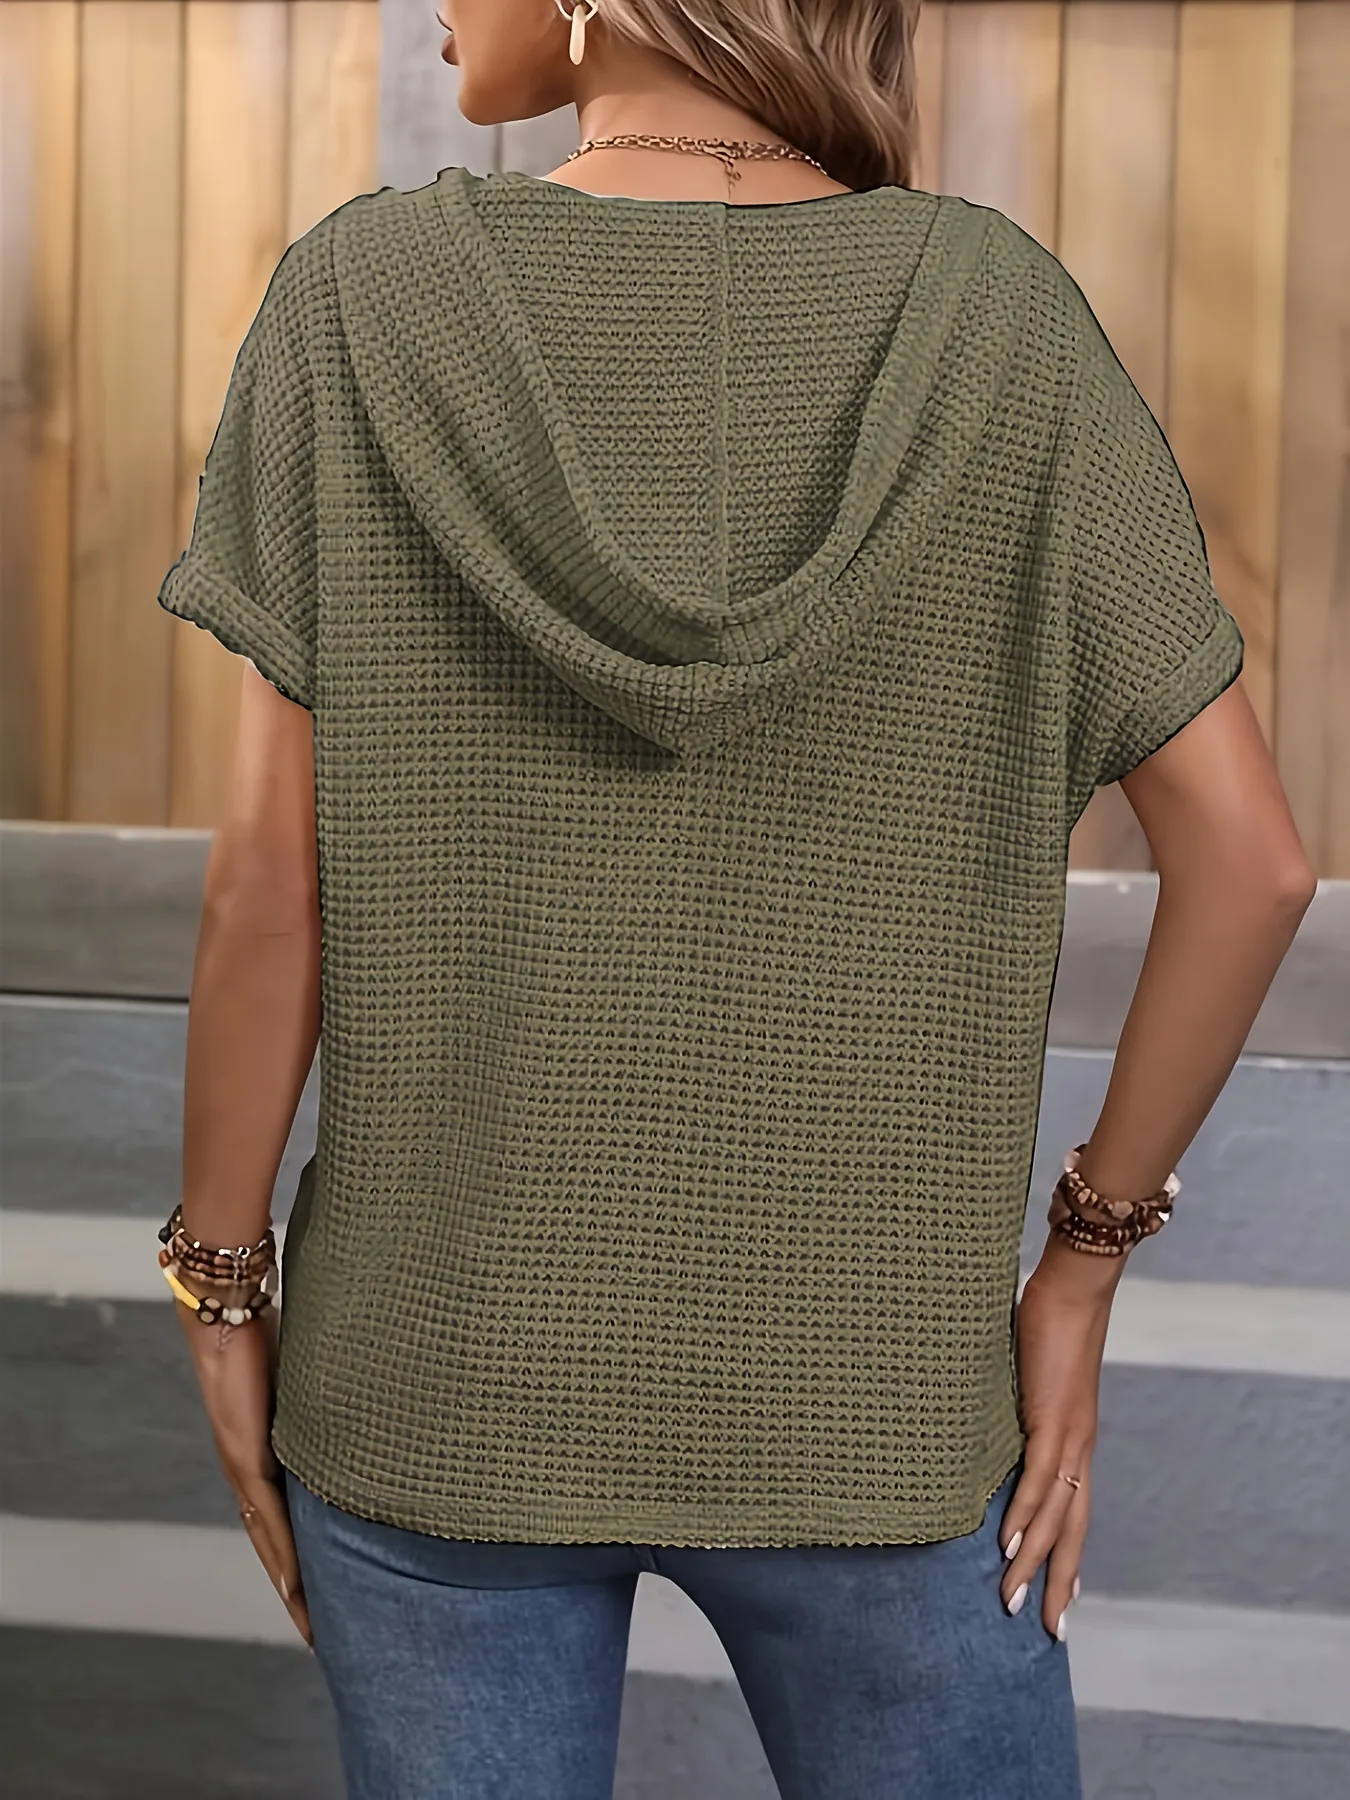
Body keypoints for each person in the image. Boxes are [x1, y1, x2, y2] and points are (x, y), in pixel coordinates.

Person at [153, 2, 1317, 1795]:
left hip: (440, 1377)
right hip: (879, 1396)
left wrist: (223, 1290)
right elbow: (1251, 865)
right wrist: (1077, 1274)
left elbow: (265, 892)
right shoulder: (1001, 319)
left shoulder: (359, 299)